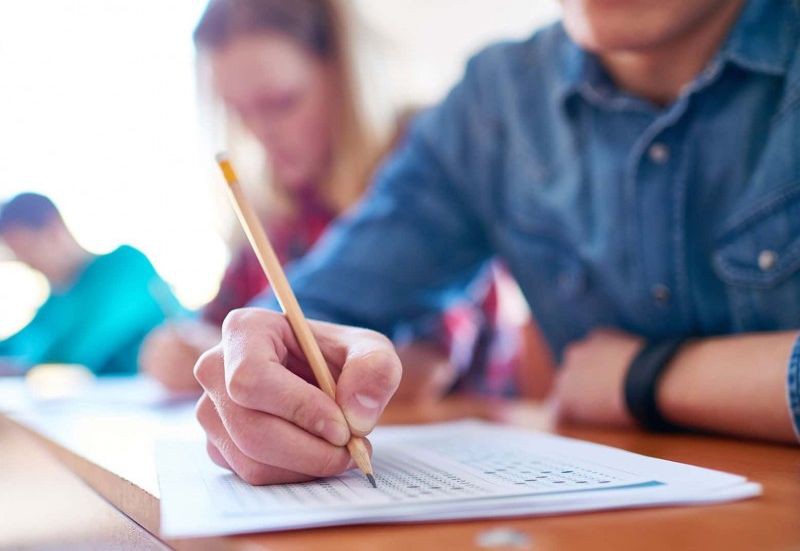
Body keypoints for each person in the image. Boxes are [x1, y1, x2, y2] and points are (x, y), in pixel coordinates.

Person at [192, 0, 800, 486]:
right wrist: (262, 366)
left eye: (279, 102)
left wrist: (645, 378)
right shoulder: (495, 103)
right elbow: (330, 298)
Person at [140, 0, 526, 398]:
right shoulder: (278, 212)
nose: (259, 132)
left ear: (346, 77)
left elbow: (421, 369)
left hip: (454, 440)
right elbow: (220, 327)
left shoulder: (424, 177)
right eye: (240, 112)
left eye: (281, 102)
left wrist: (244, 361)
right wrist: (189, 350)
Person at [0, 192, 181, 375]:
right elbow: (18, 343)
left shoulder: (125, 265)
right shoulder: (58, 299)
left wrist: (20, 367)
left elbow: (72, 352)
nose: (29, 264)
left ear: (54, 230)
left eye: (28, 250)